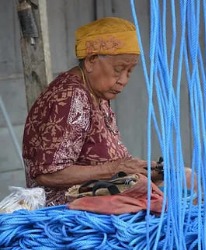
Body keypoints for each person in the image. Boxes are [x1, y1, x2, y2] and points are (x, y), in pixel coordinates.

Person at [22, 17, 163, 206]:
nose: (123, 80)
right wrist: (117, 168)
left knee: (183, 178)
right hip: (67, 215)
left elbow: (106, 158)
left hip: (96, 202)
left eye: (130, 71)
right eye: (118, 69)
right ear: (91, 60)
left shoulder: (97, 95)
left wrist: (143, 170)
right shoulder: (72, 97)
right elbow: (47, 173)